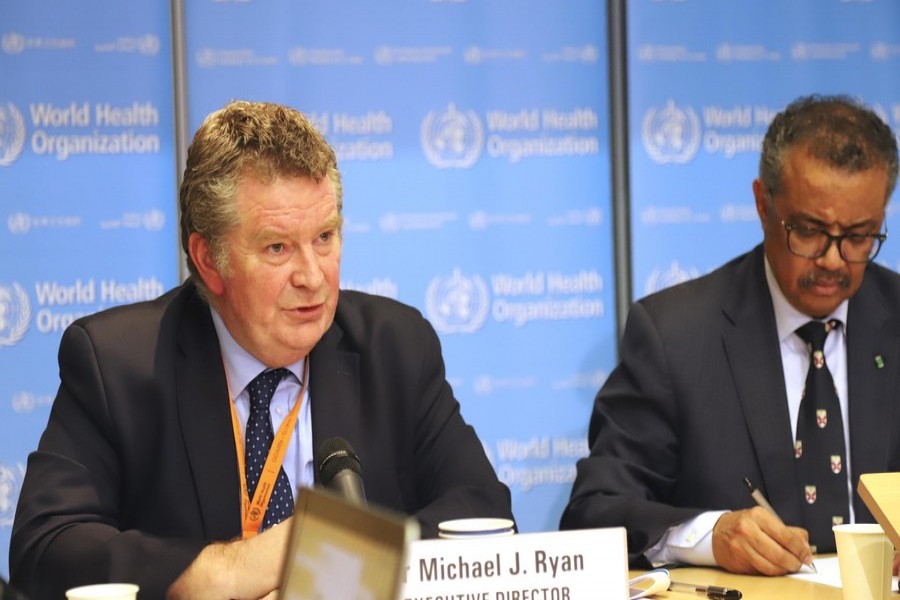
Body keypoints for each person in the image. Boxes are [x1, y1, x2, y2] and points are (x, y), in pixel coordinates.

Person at [9, 100, 514, 599]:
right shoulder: (117, 364)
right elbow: (46, 546)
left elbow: (482, 508)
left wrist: (336, 568)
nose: (313, 278)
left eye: (324, 237)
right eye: (277, 248)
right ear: (209, 260)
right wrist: (224, 569)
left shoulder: (395, 346)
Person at [560, 94, 900, 576]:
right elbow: (593, 513)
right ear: (763, 205)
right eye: (809, 231)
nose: (832, 259)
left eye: (859, 236)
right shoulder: (676, 335)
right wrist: (709, 537)